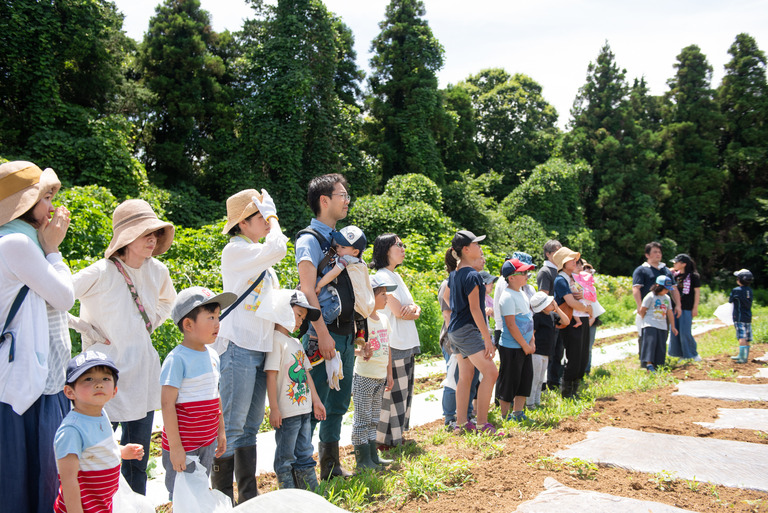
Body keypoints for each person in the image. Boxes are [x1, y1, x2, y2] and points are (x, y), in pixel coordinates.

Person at [69, 199, 176, 494]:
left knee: (137, 461)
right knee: (95, 457)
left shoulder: (157, 271)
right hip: (103, 378)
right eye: (145, 233)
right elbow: (54, 296)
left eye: (155, 232)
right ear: (126, 238)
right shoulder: (101, 272)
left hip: (141, 374)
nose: (152, 239)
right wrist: (84, 327)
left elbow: (169, 301)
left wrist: (150, 322)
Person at [0, 161, 75, 513]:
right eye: (45, 198)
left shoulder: (12, 239)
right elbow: (64, 297)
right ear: (24, 204)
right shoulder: (17, 243)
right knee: (33, 484)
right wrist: (54, 249)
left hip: (23, 382)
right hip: (26, 388)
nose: (52, 207)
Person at [212, 189, 287, 502]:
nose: (267, 223)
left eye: (266, 216)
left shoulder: (260, 258)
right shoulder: (236, 251)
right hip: (238, 347)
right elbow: (280, 247)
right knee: (231, 425)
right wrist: (274, 213)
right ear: (242, 224)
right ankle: (220, 500)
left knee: (250, 426)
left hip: (259, 347)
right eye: (260, 217)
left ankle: (247, 496)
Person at [295, 173, 355, 480]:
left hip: (345, 335)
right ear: (324, 200)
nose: (347, 201)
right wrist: (322, 336)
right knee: (314, 403)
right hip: (323, 336)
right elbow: (308, 291)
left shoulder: (339, 241)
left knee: (339, 403)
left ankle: (331, 466)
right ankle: (301, 471)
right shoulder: (310, 240)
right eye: (342, 195)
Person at [160, 287, 236, 500]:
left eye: (218, 317)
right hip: (184, 446)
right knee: (182, 495)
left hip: (206, 443)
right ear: (188, 324)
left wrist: (220, 432)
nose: (217, 323)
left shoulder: (213, 355)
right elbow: (167, 405)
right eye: (210, 317)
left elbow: (215, 396)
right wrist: (175, 448)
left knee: (200, 490)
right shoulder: (177, 359)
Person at [54, 352, 144, 513]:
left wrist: (121, 451)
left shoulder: (101, 415)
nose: (99, 384)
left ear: (115, 390)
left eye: (105, 379)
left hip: (102, 504)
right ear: (69, 392)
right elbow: (68, 481)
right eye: (88, 379)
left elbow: (100, 449)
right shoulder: (71, 430)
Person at [265, 290, 326, 490]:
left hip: (303, 409)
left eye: (303, 318)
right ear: (284, 308)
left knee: (305, 451)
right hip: (287, 413)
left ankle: (310, 492)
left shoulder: (296, 342)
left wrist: (316, 401)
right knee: (286, 456)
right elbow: (271, 375)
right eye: (299, 314)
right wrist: (274, 408)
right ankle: (288, 494)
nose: (301, 321)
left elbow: (307, 374)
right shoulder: (275, 341)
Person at [444, 230, 499, 434]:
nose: (480, 247)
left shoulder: (455, 273)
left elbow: (447, 298)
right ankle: (483, 424)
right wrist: (487, 339)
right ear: (466, 249)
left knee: (465, 376)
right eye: (476, 244)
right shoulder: (473, 275)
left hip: (455, 329)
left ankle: (461, 424)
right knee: (491, 372)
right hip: (467, 330)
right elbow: (476, 310)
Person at [371, 233, 422, 448]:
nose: (402, 248)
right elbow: (398, 311)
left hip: (406, 342)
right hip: (393, 343)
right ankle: (384, 440)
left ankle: (397, 436)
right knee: (392, 393)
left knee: (405, 391)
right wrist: (411, 310)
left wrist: (414, 309)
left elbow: (414, 308)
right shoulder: (380, 277)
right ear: (385, 250)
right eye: (397, 245)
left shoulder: (396, 276)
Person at [351, 274, 395, 471]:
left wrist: (390, 374)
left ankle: (372, 457)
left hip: (380, 376)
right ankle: (362, 462)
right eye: (383, 294)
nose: (386, 298)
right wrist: (361, 352)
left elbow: (388, 348)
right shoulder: (362, 320)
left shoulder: (384, 319)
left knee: (374, 419)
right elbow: (352, 346)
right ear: (371, 295)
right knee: (362, 418)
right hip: (364, 376)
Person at [438, 249, 478, 430]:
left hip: (468, 337)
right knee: (453, 378)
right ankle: (450, 416)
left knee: (470, 376)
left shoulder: (465, 280)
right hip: (453, 339)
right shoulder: (448, 283)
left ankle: (466, 414)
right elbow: (448, 315)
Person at [496, 258, 536, 422]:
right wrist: (524, 345)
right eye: (523, 273)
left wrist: (531, 341)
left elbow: (529, 319)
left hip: (525, 346)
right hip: (512, 347)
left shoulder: (522, 293)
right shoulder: (507, 297)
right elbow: (511, 325)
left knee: (525, 379)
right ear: (511, 277)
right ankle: (505, 415)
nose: (527, 275)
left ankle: (518, 413)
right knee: (509, 380)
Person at [552, 247, 593, 399]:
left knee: (583, 356)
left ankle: (575, 389)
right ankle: (567, 392)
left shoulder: (573, 278)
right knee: (574, 356)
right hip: (570, 321)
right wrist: (587, 309)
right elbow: (570, 302)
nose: (575, 261)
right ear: (563, 262)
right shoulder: (560, 280)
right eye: (571, 259)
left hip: (581, 318)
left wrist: (586, 308)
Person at [632, 242, 682, 364]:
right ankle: (645, 362)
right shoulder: (641, 270)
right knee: (646, 334)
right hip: (647, 308)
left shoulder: (666, 270)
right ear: (647, 254)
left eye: (659, 252)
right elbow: (636, 289)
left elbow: (674, 289)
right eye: (654, 252)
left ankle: (659, 360)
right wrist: (639, 306)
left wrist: (678, 305)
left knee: (662, 333)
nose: (658, 254)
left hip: (663, 308)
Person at [528, 292, 566, 409]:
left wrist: (557, 309)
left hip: (547, 352)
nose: (552, 303)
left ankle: (537, 401)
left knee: (540, 379)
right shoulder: (537, 317)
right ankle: (530, 403)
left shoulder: (552, 315)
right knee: (534, 379)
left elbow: (566, 321)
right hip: (537, 352)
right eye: (550, 303)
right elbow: (532, 334)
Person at [538, 240, 566, 392]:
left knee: (559, 352)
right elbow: (543, 296)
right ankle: (545, 385)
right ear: (548, 254)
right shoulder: (545, 272)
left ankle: (554, 382)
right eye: (556, 251)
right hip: (551, 317)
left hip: (561, 316)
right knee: (550, 352)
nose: (559, 254)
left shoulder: (560, 271)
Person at [638, 276, 678, 372]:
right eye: (665, 289)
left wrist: (673, 326)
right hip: (650, 324)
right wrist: (644, 321)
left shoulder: (667, 298)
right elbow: (642, 310)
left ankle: (658, 365)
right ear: (658, 286)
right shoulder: (650, 296)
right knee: (650, 344)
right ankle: (649, 364)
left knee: (661, 345)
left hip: (662, 325)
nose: (666, 291)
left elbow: (669, 313)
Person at [668, 254, 701, 361]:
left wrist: (695, 307)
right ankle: (681, 354)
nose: (674, 264)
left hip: (687, 307)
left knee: (685, 332)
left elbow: (697, 292)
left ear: (683, 264)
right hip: (675, 308)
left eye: (676, 262)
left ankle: (692, 354)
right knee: (675, 332)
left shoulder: (693, 276)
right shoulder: (675, 276)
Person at [730, 269, 754, 364]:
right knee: (747, 337)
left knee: (741, 337)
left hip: (739, 317)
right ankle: (745, 356)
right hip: (748, 317)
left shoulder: (736, 290)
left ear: (740, 280)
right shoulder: (750, 290)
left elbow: (731, 300)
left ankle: (742, 357)